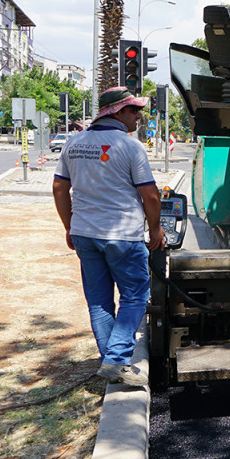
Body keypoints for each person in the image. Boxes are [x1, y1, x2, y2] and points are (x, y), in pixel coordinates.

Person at [51, 86, 165, 387]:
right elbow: (150, 196)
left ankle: (112, 363)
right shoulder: (129, 146)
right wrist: (155, 229)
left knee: (99, 302)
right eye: (134, 110)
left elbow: (59, 189)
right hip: (123, 236)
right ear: (117, 112)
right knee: (135, 296)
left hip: (85, 234)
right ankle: (115, 360)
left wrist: (69, 226)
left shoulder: (73, 143)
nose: (139, 116)